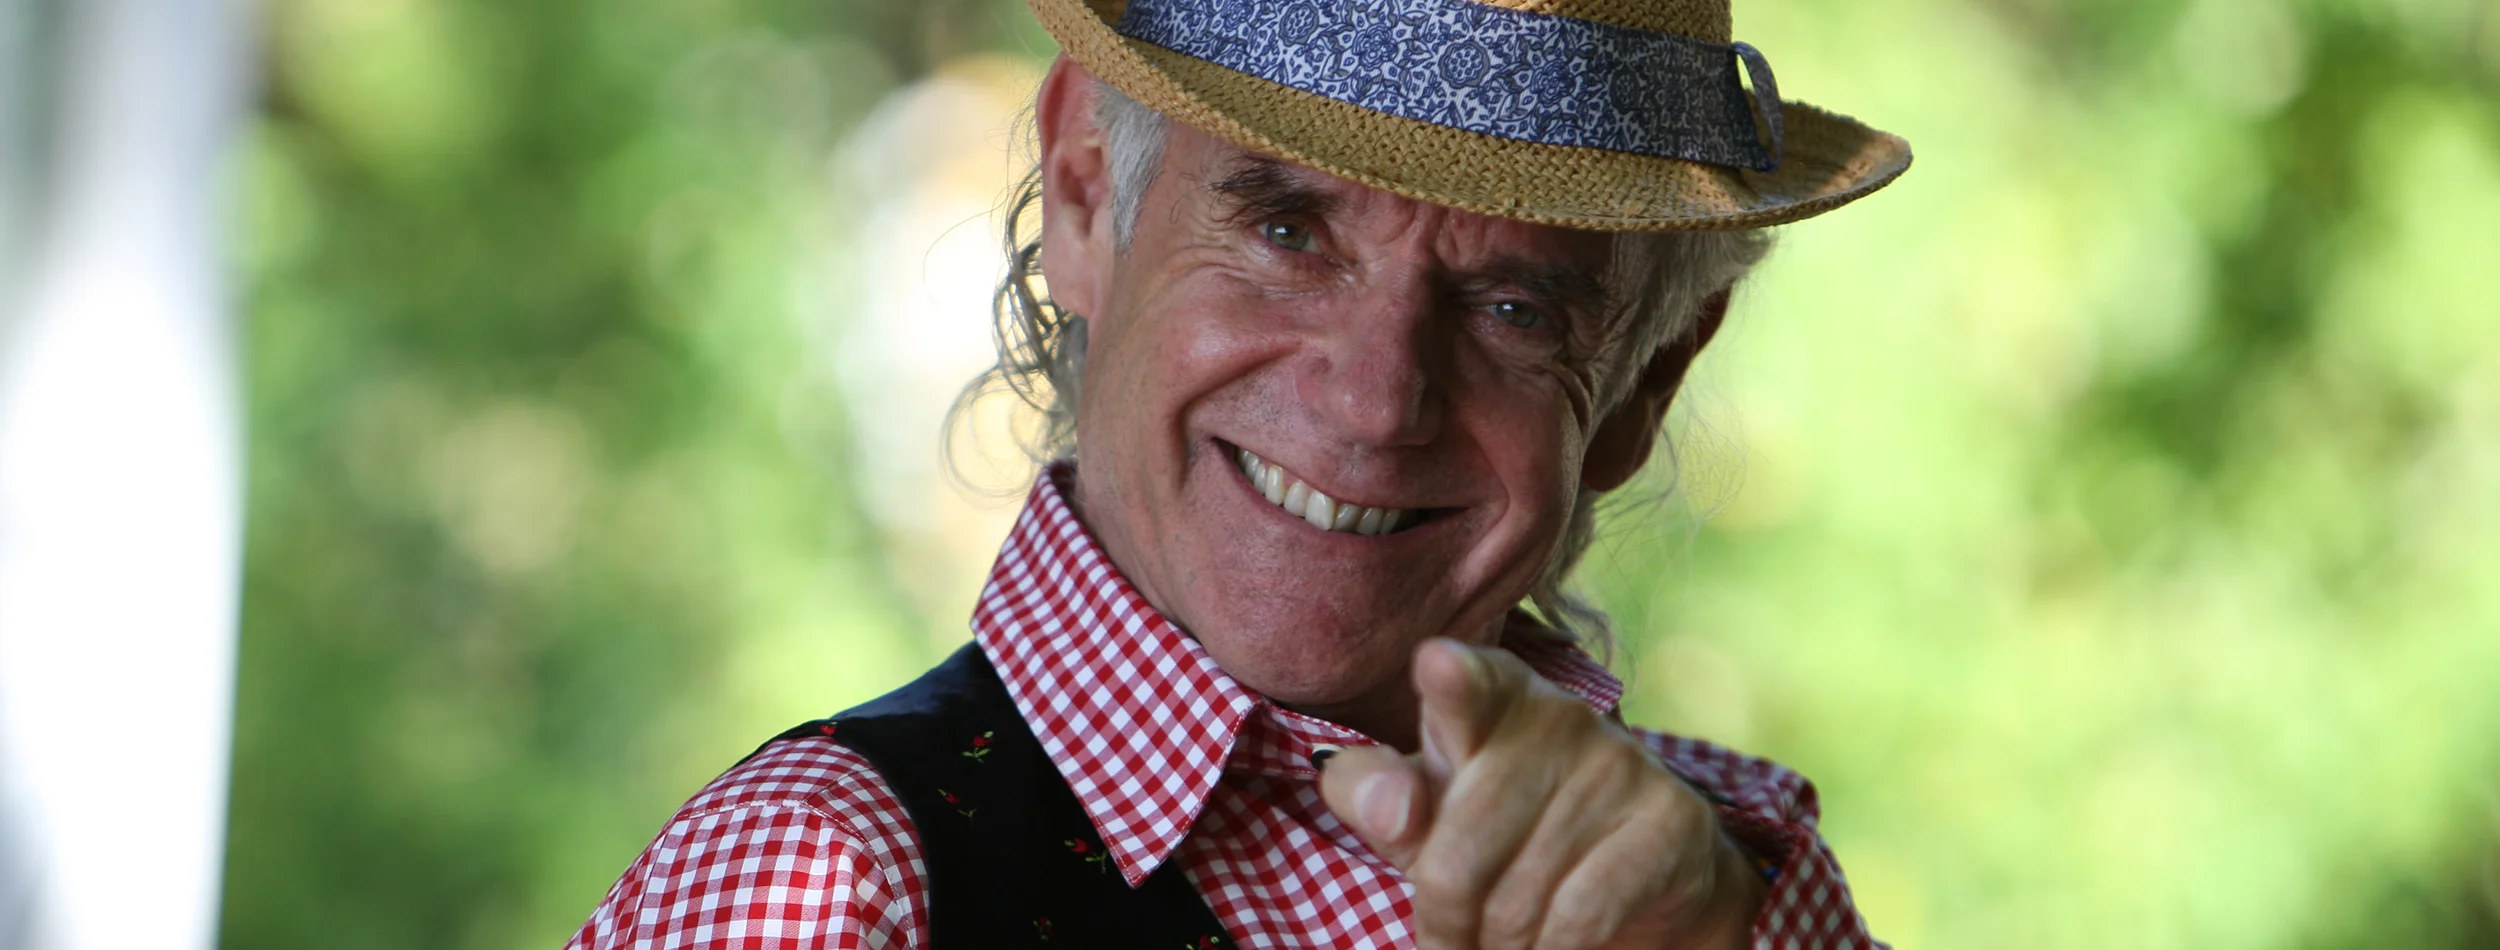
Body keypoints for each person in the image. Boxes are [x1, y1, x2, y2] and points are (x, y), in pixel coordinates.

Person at [568, 0, 1911, 944]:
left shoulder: (1737, 885)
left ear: (1648, 378)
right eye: (1287, 229)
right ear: (1086, 193)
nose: (1376, 401)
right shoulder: (825, 880)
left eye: (1515, 307)